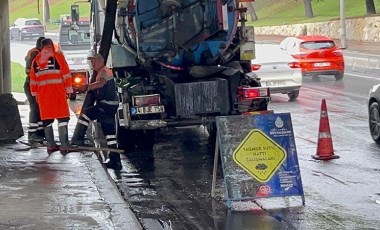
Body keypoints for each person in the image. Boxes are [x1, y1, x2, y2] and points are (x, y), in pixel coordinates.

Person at [71, 52, 122, 171]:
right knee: (110, 135)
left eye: (94, 61)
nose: (92, 63)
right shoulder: (102, 71)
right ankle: (116, 161)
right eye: (91, 61)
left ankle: (78, 138)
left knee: (86, 114)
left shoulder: (104, 71)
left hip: (106, 106)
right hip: (109, 106)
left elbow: (101, 83)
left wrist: (87, 87)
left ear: (101, 61)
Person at [29, 38, 76, 155]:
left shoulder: (36, 61)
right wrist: (69, 89)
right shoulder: (58, 57)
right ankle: (64, 145)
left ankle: (50, 145)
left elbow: (33, 80)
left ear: (42, 46)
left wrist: (35, 94)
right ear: (51, 46)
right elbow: (66, 74)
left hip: (43, 96)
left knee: (47, 120)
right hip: (58, 94)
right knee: (63, 118)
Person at [24, 36, 45, 143]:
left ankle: (40, 132)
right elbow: (33, 71)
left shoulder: (35, 52)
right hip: (32, 86)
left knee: (39, 108)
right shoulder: (36, 54)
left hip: (34, 85)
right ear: (41, 45)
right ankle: (32, 133)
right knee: (35, 108)